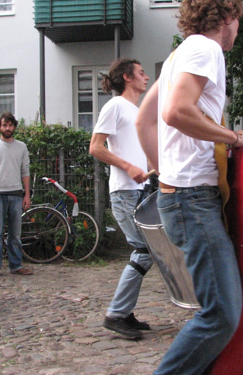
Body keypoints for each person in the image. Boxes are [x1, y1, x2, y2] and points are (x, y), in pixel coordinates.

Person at [136, 0, 243, 374]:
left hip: (180, 195)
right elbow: (176, 112)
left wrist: (165, 172)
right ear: (226, 16)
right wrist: (234, 136)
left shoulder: (178, 55)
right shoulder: (205, 49)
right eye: (238, 18)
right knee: (221, 314)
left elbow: (146, 118)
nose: (238, 27)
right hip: (192, 199)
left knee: (219, 308)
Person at [89, 58, 153, 340]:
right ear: (127, 77)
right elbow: (95, 147)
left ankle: (124, 313)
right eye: (141, 73)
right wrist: (128, 167)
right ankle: (116, 314)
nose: (146, 77)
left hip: (143, 192)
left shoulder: (136, 110)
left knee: (149, 252)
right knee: (145, 251)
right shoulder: (115, 106)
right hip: (125, 193)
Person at [0, 112, 33, 278]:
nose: (7, 128)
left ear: (14, 127)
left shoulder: (21, 147)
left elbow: (25, 171)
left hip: (16, 195)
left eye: (10, 125)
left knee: (16, 235)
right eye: (4, 125)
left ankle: (16, 265)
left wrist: (27, 195)